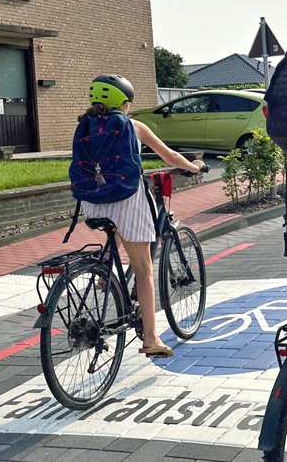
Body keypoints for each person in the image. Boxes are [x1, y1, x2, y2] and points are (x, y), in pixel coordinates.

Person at [80, 75, 204, 358]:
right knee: (144, 270)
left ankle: (104, 274)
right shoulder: (133, 126)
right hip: (126, 201)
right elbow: (170, 156)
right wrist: (194, 167)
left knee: (115, 228)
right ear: (124, 103)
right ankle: (151, 338)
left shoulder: (85, 126)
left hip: (92, 202)